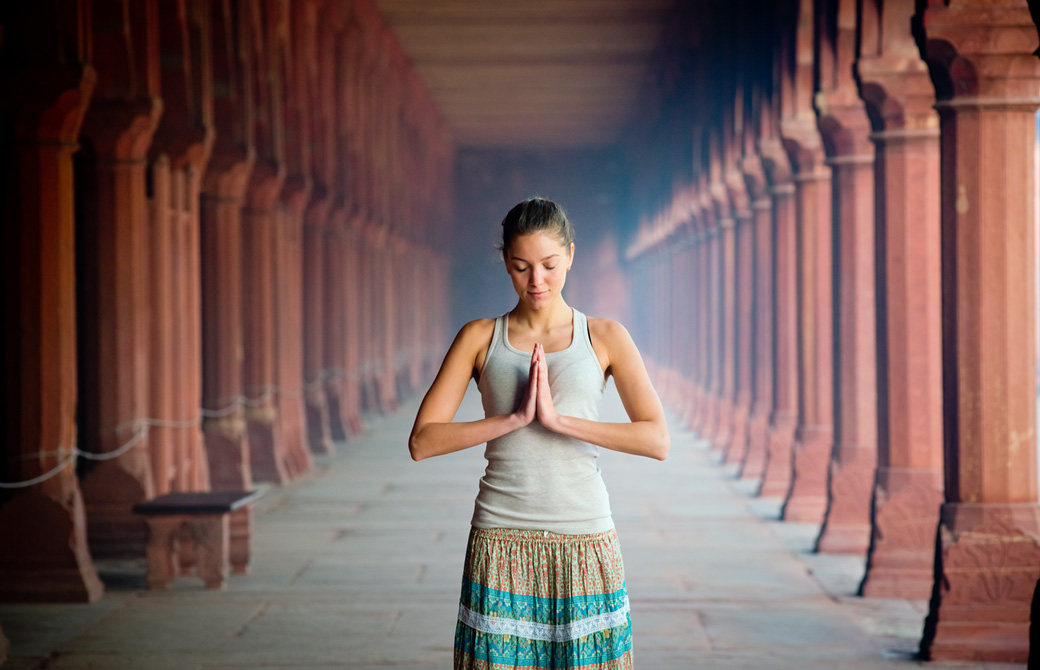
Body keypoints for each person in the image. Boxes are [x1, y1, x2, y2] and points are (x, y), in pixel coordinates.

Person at [409, 197, 669, 670]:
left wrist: (559, 421)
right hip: (500, 537)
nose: (537, 281)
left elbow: (656, 440)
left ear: (571, 255)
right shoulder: (480, 337)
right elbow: (422, 441)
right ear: (505, 263)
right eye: (521, 267)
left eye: (549, 265)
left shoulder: (606, 336)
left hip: (585, 537)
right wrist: (510, 420)